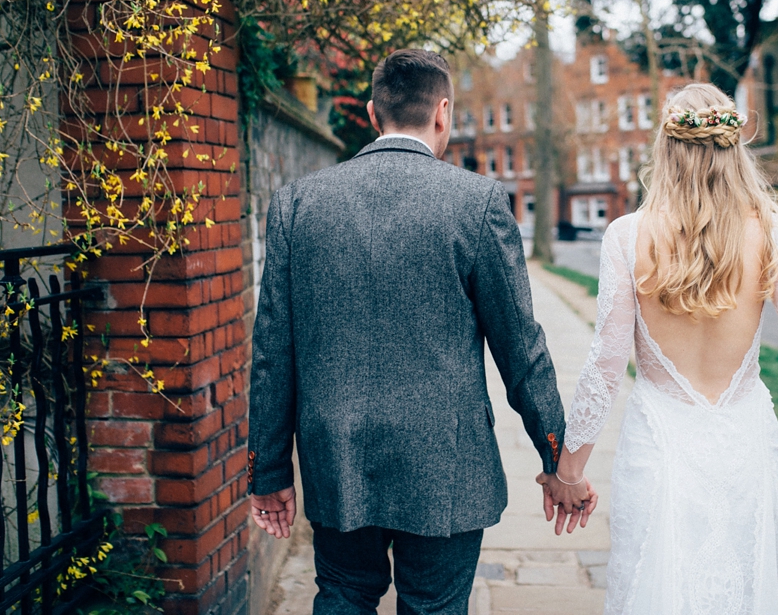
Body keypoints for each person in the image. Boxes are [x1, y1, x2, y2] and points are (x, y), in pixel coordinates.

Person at [552, 83, 778, 614]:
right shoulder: (773, 233)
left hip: (659, 454)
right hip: (747, 450)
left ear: (666, 147)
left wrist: (569, 475)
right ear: (735, 148)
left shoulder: (626, 237)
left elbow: (605, 368)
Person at [245, 48, 596, 615]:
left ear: (371, 112)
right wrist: (558, 460)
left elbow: (271, 354)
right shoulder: (476, 202)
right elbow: (521, 349)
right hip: (447, 463)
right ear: (442, 112)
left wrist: (268, 470)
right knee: (434, 605)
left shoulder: (297, 204)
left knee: (342, 596)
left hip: (338, 455)